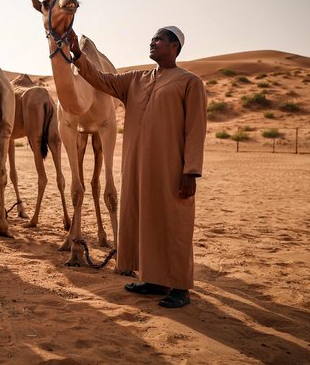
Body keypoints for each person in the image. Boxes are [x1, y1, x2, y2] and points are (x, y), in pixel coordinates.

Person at [68, 26, 207, 308]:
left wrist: (190, 171)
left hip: (172, 167)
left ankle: (180, 287)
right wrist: (77, 54)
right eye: (153, 39)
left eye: (159, 40)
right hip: (137, 165)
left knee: (174, 223)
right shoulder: (137, 80)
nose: (153, 42)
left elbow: (196, 129)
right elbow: (100, 80)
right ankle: (154, 279)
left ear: (175, 47)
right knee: (144, 219)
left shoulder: (189, 82)